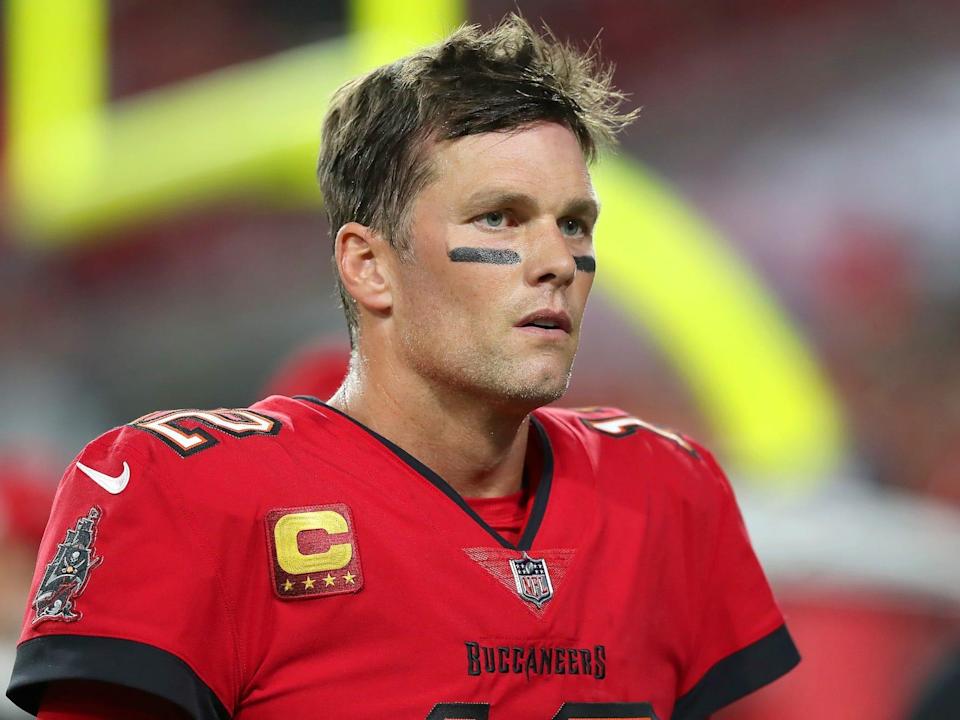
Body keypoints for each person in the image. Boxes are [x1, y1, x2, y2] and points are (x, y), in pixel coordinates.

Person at [7, 16, 799, 719]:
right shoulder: (179, 491)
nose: (559, 260)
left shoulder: (667, 488)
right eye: (501, 217)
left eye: (575, 223)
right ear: (369, 267)